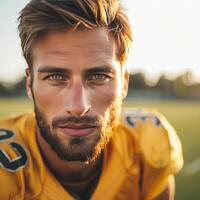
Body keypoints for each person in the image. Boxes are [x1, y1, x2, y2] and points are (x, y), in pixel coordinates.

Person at [0, 0, 183, 199]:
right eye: (55, 77)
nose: (78, 107)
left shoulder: (146, 144)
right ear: (30, 84)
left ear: (124, 83)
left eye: (99, 76)